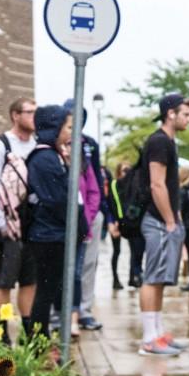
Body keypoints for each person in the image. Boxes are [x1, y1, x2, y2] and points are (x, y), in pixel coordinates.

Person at [0, 97, 37, 343]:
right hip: (7, 227)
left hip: (32, 226)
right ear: (15, 115)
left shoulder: (37, 145)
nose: (35, 116)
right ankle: (0, 334)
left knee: (30, 280)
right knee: (4, 281)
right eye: (29, 112)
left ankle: (27, 332)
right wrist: (0, 224)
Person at [138, 93, 189, 356]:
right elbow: (156, 183)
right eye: (185, 114)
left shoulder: (168, 141)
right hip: (158, 221)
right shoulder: (159, 141)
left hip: (164, 220)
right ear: (170, 113)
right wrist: (170, 220)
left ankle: (157, 333)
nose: (188, 119)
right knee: (152, 278)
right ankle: (149, 339)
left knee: (159, 278)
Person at [25, 105, 76, 341]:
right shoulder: (44, 158)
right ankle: (38, 342)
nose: (70, 131)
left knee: (49, 291)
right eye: (67, 127)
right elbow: (57, 199)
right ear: (53, 127)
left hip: (51, 233)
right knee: (45, 293)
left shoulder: (51, 154)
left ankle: (41, 338)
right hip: (48, 235)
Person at [65, 99, 106, 332]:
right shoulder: (54, 144)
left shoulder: (89, 144)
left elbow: (96, 182)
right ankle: (62, 311)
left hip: (89, 214)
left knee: (87, 265)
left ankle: (84, 310)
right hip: (62, 217)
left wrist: (100, 214)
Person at [107, 162, 130, 291]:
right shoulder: (114, 185)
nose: (126, 173)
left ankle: (134, 276)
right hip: (116, 222)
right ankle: (115, 279)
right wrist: (113, 221)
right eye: (124, 170)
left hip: (130, 222)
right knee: (117, 251)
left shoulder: (132, 185)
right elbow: (110, 204)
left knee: (135, 251)